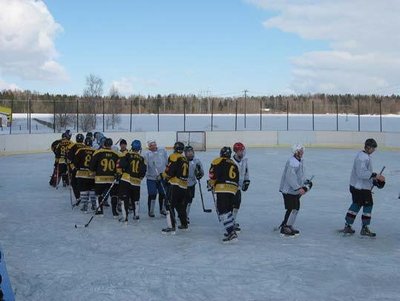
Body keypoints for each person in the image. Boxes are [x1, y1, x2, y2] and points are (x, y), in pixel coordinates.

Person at [341, 138, 385, 237]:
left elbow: (364, 173)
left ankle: (347, 225)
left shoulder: (363, 156)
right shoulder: (362, 158)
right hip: (360, 188)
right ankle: (364, 228)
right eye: (373, 148)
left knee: (356, 204)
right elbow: (361, 173)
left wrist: (372, 181)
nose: (374, 150)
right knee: (368, 205)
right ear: (368, 147)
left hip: (358, 186)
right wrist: (375, 176)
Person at [278, 144, 313, 236]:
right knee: (292, 208)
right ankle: (285, 227)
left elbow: (300, 176)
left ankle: (288, 225)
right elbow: (290, 177)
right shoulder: (292, 162)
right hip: (288, 190)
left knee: (295, 208)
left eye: (302, 150)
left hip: (294, 190)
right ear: (296, 152)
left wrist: (305, 182)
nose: (302, 152)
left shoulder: (299, 161)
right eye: (300, 151)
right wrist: (298, 188)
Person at [208, 146, 239, 243]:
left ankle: (232, 233)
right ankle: (231, 229)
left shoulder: (217, 161)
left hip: (222, 188)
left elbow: (213, 175)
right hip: (233, 189)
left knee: (222, 211)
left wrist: (211, 184)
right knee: (228, 210)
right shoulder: (233, 163)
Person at [161, 141, 189, 234]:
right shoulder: (185, 158)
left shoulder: (174, 156)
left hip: (175, 185)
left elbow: (170, 171)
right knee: (180, 205)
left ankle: (171, 226)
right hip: (184, 186)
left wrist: (163, 175)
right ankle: (184, 224)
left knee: (169, 205)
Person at [117, 140, 147, 223]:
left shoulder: (127, 154)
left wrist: (119, 174)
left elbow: (121, 165)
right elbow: (143, 171)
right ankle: (136, 215)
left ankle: (124, 217)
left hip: (126, 180)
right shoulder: (142, 158)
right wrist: (139, 178)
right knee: (135, 199)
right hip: (136, 182)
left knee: (124, 198)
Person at [89, 138, 120, 216]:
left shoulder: (98, 152)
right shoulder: (116, 154)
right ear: (111, 145)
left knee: (98, 194)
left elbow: (92, 164)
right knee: (114, 195)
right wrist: (118, 173)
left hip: (100, 178)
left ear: (104, 144)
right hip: (112, 178)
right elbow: (119, 165)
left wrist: (92, 172)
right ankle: (114, 212)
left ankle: (100, 211)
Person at [144, 140, 168, 217]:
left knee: (163, 193)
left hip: (162, 177)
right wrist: (147, 173)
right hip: (151, 178)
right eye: (151, 145)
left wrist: (166, 173)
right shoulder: (147, 154)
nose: (153, 147)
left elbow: (166, 162)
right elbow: (145, 166)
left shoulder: (162, 151)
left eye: (154, 145)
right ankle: (151, 211)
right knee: (152, 193)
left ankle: (163, 209)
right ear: (149, 147)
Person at [74, 137, 96, 212]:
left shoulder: (80, 150)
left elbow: (75, 162)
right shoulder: (95, 151)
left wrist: (76, 168)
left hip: (81, 174)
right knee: (92, 190)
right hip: (92, 175)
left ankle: (84, 206)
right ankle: (94, 205)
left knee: (83, 190)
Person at [231, 142, 250, 232]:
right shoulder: (231, 161)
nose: (241, 152)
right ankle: (230, 222)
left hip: (239, 187)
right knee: (231, 205)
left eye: (242, 150)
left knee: (237, 205)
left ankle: (233, 221)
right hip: (231, 187)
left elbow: (246, 171)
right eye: (239, 151)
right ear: (235, 151)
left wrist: (247, 180)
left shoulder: (244, 160)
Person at [183, 145, 204, 223]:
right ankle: (182, 214)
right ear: (185, 153)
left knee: (189, 201)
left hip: (191, 184)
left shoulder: (196, 161)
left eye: (191, 152)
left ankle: (186, 216)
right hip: (182, 184)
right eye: (188, 152)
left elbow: (201, 173)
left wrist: (199, 174)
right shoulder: (182, 161)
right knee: (182, 201)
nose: (190, 154)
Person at [67, 133, 86, 204]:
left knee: (74, 183)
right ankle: (85, 198)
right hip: (85, 169)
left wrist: (72, 167)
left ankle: (78, 197)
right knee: (83, 184)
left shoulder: (72, 146)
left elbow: (69, 158)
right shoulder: (85, 146)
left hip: (75, 168)